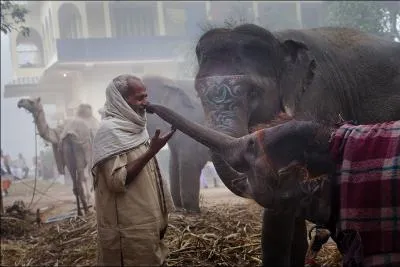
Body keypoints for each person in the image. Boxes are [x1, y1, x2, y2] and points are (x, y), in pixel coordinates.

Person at [91, 74, 176, 266]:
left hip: (146, 223)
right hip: (127, 229)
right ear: (121, 101)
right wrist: (151, 152)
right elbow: (116, 181)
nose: (145, 103)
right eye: (139, 98)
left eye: (146, 96)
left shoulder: (136, 128)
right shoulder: (109, 132)